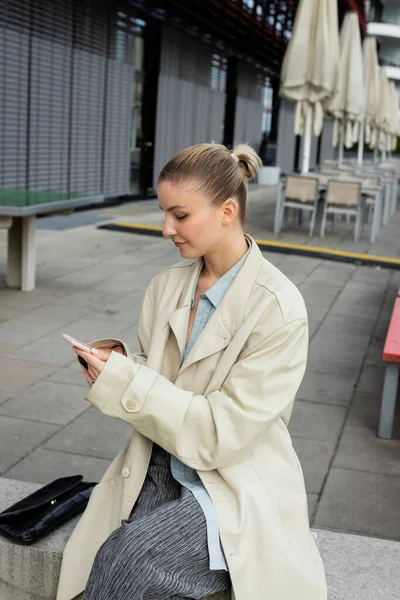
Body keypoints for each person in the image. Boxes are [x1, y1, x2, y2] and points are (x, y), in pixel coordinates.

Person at [56, 143, 327, 600]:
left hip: (231, 480)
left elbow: (221, 433)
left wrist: (129, 383)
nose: (166, 229)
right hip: (157, 460)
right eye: (165, 213)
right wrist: (118, 367)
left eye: (180, 215)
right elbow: (164, 383)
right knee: (108, 557)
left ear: (227, 210)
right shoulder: (165, 287)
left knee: (128, 559)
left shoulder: (279, 308)